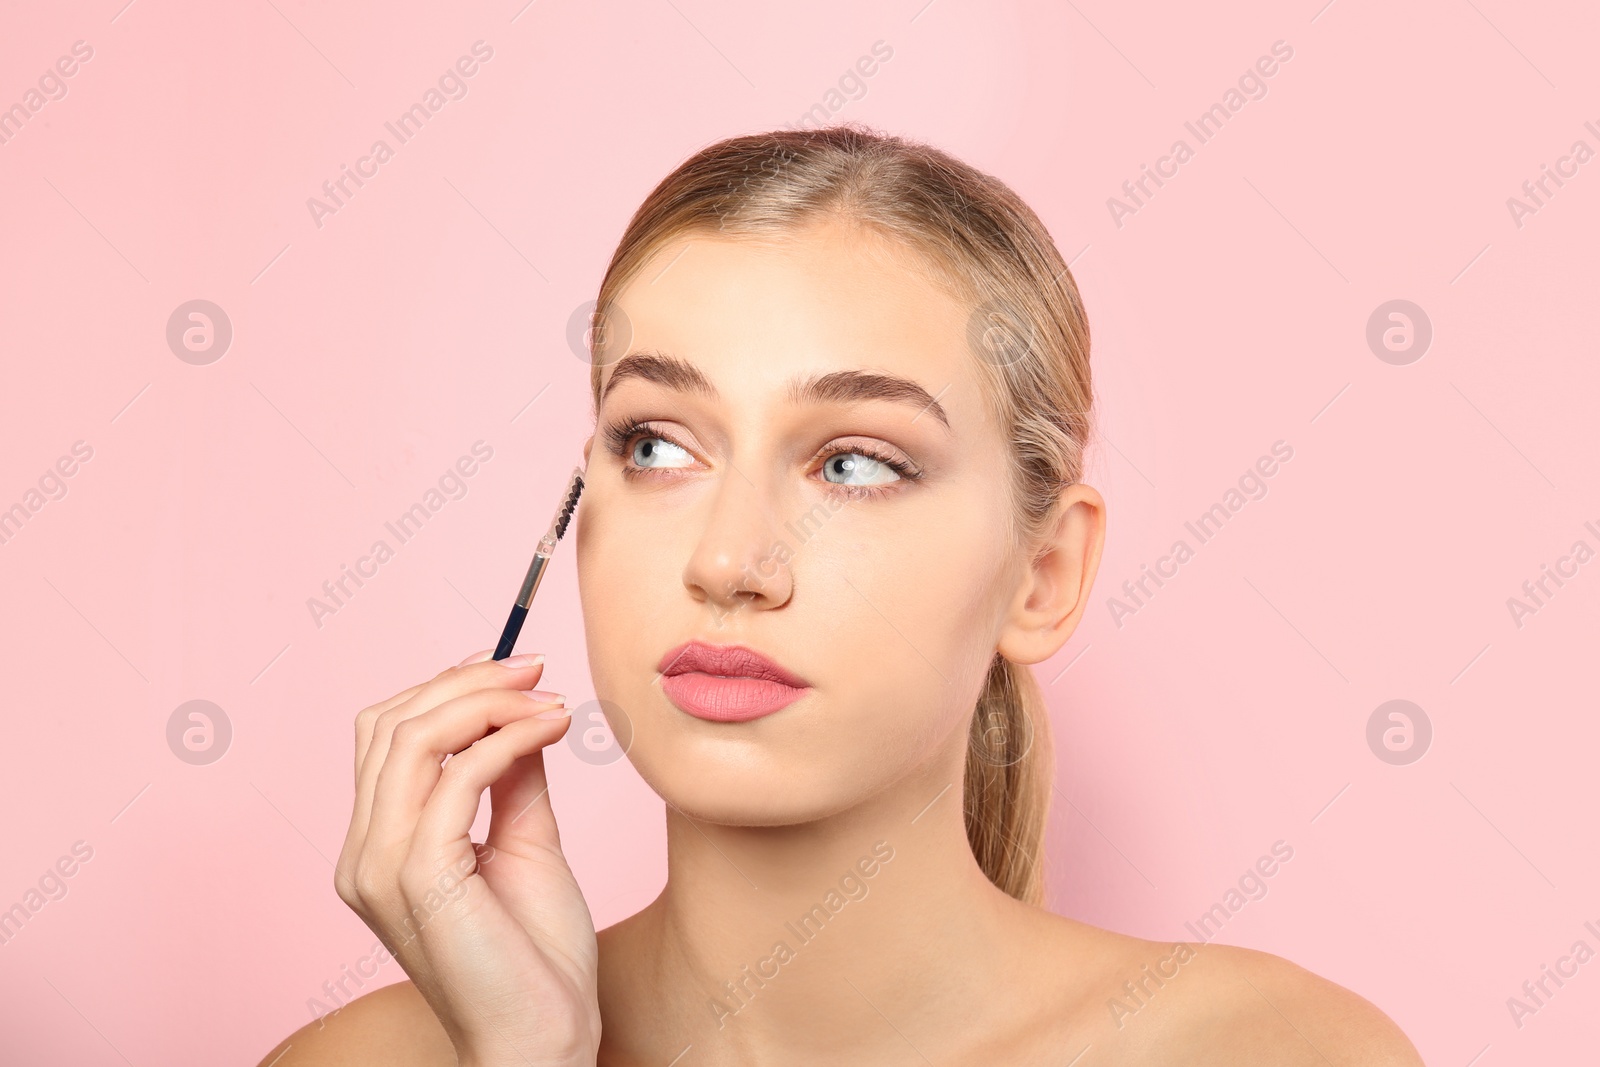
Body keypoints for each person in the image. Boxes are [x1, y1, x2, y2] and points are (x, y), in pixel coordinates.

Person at [257, 125, 1423, 1066]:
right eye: (657, 444)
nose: (728, 562)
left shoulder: (1267, 1050)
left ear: (1043, 573)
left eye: (854, 462)